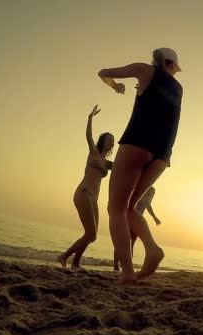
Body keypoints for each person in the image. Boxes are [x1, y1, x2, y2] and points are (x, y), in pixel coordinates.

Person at [98, 48, 183, 283]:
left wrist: (114, 86)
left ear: (155, 60)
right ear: (173, 65)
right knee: (131, 208)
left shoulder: (144, 70)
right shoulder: (178, 88)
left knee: (116, 209)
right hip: (162, 155)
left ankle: (126, 272)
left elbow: (102, 72)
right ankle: (152, 248)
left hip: (136, 143)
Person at [58, 105, 114, 270]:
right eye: (109, 140)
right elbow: (88, 136)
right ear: (103, 141)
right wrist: (90, 118)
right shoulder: (94, 152)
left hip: (94, 198)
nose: (112, 143)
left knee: (93, 235)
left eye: (113, 141)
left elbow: (125, 167)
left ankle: (74, 262)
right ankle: (65, 257)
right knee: (90, 233)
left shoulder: (108, 163)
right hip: (83, 193)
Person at [113, 187, 161, 271]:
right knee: (121, 242)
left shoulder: (152, 190)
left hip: (138, 221)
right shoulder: (138, 186)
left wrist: (154, 217)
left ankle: (128, 266)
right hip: (127, 217)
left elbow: (148, 205)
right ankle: (115, 265)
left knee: (131, 244)